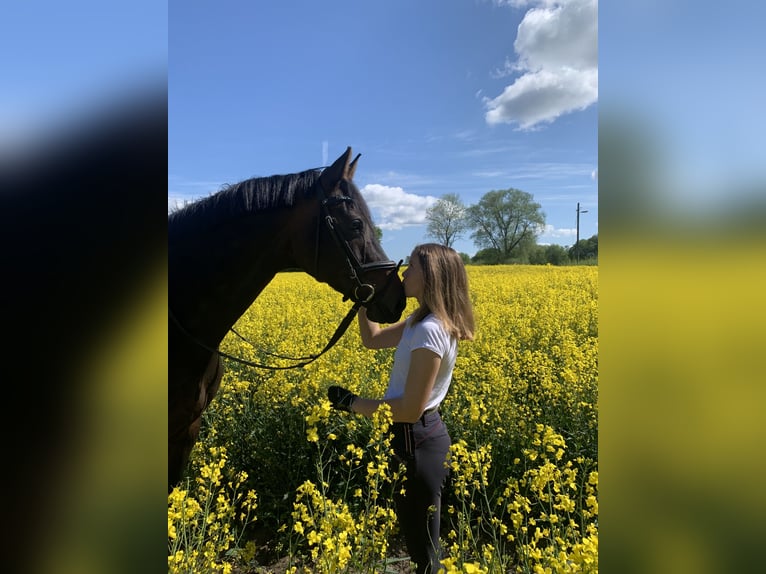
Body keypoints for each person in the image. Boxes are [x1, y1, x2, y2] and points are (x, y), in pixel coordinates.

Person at [328, 243, 475, 574]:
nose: (404, 273)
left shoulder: (430, 330)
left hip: (417, 440)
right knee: (419, 542)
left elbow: (409, 409)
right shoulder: (420, 321)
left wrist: (351, 403)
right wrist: (364, 302)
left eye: (411, 267)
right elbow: (373, 340)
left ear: (430, 276)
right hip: (417, 437)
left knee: (424, 553)